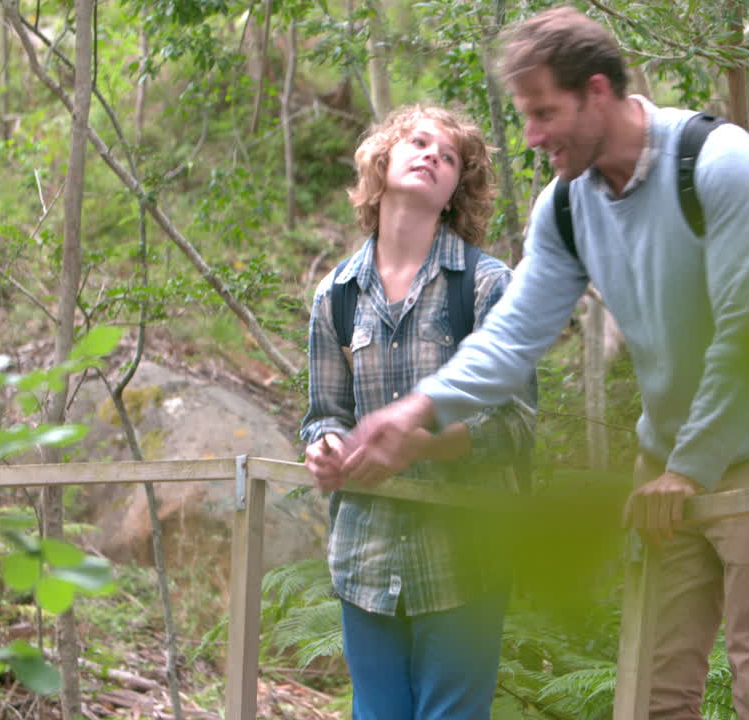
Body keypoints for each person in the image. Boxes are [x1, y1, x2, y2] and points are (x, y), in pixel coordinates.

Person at [339, 7, 749, 719]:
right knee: (653, 694)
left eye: (544, 114)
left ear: (597, 92)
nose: (533, 138)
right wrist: (419, 409)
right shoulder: (565, 205)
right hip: (664, 462)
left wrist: (689, 470)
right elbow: (514, 336)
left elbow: (748, 334)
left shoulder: (719, 163)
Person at [299, 104, 535, 720]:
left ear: (459, 188)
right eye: (419, 142)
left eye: (449, 155)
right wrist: (325, 448)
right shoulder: (337, 295)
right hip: (364, 560)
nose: (432, 154)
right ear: (383, 162)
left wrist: (424, 443)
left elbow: (515, 424)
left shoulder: (485, 286)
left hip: (464, 561)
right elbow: (324, 413)